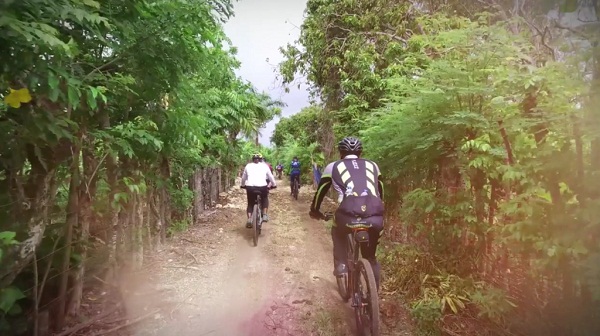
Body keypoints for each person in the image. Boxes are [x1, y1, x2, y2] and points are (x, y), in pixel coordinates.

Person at [308, 137, 385, 289]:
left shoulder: (333, 167)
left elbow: (320, 192)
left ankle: (341, 264)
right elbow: (381, 190)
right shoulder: (373, 165)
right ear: (360, 152)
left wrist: (315, 211)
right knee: (370, 257)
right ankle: (374, 292)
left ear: (341, 153)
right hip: (374, 215)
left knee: (338, 231)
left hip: (347, 215)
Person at [241, 153, 276, 228]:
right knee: (264, 198)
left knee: (250, 203)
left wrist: (243, 185)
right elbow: (270, 177)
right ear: (260, 160)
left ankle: (249, 219)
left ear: (252, 159)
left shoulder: (248, 165)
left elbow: (243, 178)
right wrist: (274, 184)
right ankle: (265, 215)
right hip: (262, 187)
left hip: (250, 187)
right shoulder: (264, 166)